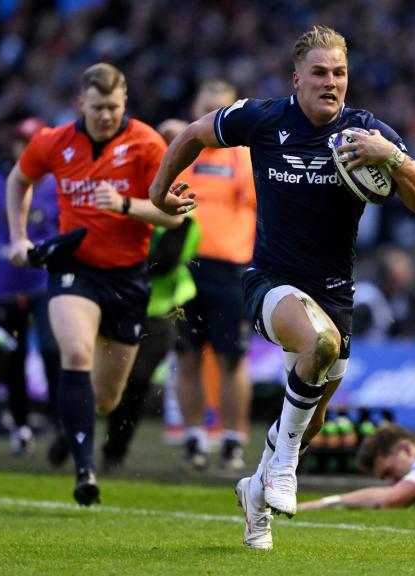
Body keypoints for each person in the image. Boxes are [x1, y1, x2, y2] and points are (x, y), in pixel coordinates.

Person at [149, 25, 415, 549]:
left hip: (335, 294)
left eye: (340, 73)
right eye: (321, 73)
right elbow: (192, 133)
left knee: (311, 423)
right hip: (270, 282)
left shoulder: (365, 132)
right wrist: (158, 191)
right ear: (297, 78)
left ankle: (255, 494)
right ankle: (280, 469)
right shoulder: (261, 118)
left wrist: (391, 158)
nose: (332, 82)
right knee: (317, 345)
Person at [6, 63, 183, 506]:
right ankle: (85, 471)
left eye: (113, 107)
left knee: (105, 399)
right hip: (76, 267)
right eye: (98, 107)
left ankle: (73, 428)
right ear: (80, 103)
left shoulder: (146, 143)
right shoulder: (54, 141)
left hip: (128, 277)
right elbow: (19, 179)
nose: (105, 115)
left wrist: (125, 205)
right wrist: (18, 237)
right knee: (76, 352)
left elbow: (174, 214)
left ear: (125, 105)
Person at [156, 79, 258, 472]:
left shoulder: (245, 157)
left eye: (222, 109)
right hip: (184, 268)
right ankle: (194, 437)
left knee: (233, 359)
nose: (214, 115)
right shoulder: (185, 148)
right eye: (207, 108)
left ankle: (233, 440)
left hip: (230, 269)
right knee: (186, 355)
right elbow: (164, 131)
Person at [0, 117, 61, 455]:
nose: (29, 148)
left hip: (44, 279)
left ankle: (59, 420)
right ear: (16, 145)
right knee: (11, 356)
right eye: (25, 142)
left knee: (53, 351)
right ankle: (20, 425)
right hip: (4, 280)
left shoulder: (58, 184)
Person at [100, 217, 200, 473]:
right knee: (96, 379)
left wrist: (118, 256)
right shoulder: (123, 207)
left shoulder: (183, 220)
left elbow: (163, 262)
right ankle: (71, 436)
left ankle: (115, 452)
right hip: (114, 307)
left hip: (157, 314)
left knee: (137, 382)